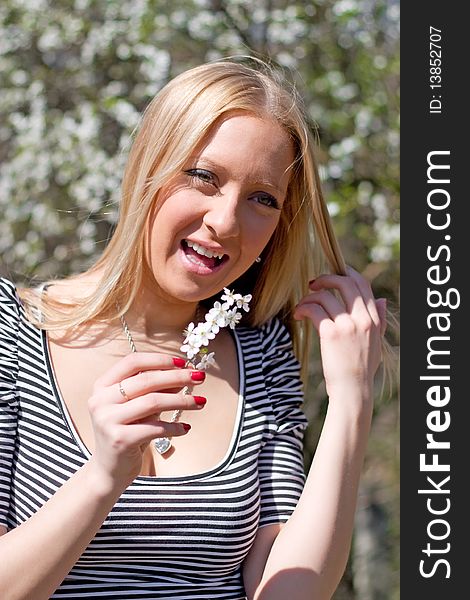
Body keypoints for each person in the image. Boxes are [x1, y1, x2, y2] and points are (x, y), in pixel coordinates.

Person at [0, 58, 387, 600]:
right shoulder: (13, 332)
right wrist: (103, 478)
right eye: (203, 176)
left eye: (262, 199)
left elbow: (287, 593)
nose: (226, 221)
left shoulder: (263, 352)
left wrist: (353, 399)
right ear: (148, 168)